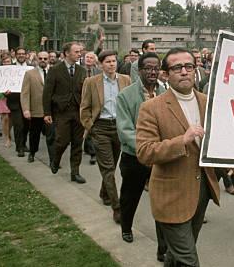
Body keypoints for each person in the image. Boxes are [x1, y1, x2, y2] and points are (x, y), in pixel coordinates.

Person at [136, 47, 220, 267]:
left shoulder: (208, 102)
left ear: (195, 70)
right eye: (177, 67)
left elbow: (217, 142)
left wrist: (232, 162)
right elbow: (144, 152)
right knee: (188, 260)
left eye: (189, 66)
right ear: (166, 74)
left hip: (201, 191)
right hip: (170, 196)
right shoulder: (151, 108)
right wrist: (181, 140)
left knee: (178, 254)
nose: (184, 71)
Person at [116, 52, 167, 258]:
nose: (152, 72)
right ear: (140, 69)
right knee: (130, 197)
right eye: (148, 68)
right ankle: (126, 227)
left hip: (160, 158)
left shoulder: (165, 93)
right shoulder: (126, 96)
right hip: (134, 157)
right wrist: (146, 147)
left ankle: (162, 248)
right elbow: (124, 129)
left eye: (156, 68)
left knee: (162, 202)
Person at [80, 50, 131, 224]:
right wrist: (90, 127)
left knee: (111, 164)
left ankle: (104, 192)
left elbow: (131, 103)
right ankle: (117, 208)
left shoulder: (125, 80)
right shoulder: (91, 82)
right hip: (100, 127)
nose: (111, 64)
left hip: (119, 127)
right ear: (101, 64)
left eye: (113, 61)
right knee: (108, 167)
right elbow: (84, 107)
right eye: (108, 62)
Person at [43, 42, 87, 183]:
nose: (79, 54)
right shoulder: (55, 70)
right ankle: (55, 161)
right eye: (76, 52)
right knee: (62, 141)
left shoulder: (82, 70)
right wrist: (47, 112)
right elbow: (47, 93)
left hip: (78, 111)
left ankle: (75, 172)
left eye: (80, 52)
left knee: (77, 143)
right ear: (67, 53)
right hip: (61, 111)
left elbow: (85, 92)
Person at [21, 51, 50, 163]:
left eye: (45, 58)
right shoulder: (30, 74)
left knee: (52, 137)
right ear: (37, 59)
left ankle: (54, 159)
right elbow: (25, 93)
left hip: (50, 111)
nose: (43, 60)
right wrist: (26, 109)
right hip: (36, 110)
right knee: (34, 134)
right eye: (41, 58)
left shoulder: (53, 72)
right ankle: (32, 153)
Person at [7, 47, 31, 157]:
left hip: (28, 101)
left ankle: (24, 143)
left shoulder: (31, 68)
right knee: (18, 125)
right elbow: (4, 83)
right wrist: (5, 92)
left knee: (26, 125)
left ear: (26, 55)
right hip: (14, 101)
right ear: (15, 55)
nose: (21, 55)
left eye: (23, 53)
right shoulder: (9, 68)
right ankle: (19, 147)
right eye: (19, 54)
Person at [82, 51, 101, 164]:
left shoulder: (98, 72)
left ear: (95, 61)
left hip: (94, 102)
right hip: (81, 101)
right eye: (87, 57)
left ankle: (92, 152)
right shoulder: (79, 70)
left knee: (91, 125)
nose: (88, 59)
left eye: (91, 58)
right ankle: (84, 147)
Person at [0, 54, 13, 147]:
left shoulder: (15, 71)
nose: (6, 63)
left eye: (8, 61)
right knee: (5, 118)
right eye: (5, 62)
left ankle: (8, 134)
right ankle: (6, 138)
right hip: (1, 97)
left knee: (11, 119)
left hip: (12, 96)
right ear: (2, 63)